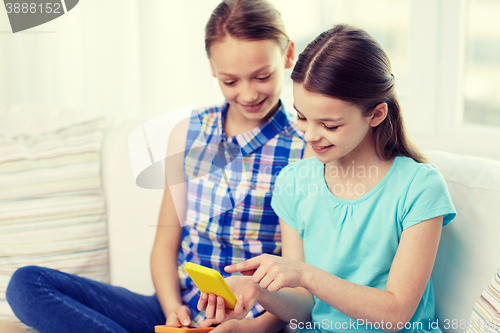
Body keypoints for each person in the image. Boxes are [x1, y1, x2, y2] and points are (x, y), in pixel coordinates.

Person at [6, 1, 312, 332]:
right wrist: (172, 310)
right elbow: (165, 245)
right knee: (27, 284)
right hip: (176, 310)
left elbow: (299, 286)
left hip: (247, 322)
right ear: (212, 68)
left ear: (288, 55)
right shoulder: (189, 132)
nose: (248, 93)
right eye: (230, 81)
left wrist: (247, 329)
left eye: (262, 76)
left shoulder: (305, 147)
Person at [198, 24, 457, 333]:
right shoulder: (294, 183)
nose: (310, 134)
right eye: (302, 117)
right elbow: (305, 308)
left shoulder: (418, 186)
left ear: (375, 115)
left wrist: (305, 274)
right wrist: (259, 291)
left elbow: (396, 313)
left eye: (329, 125)